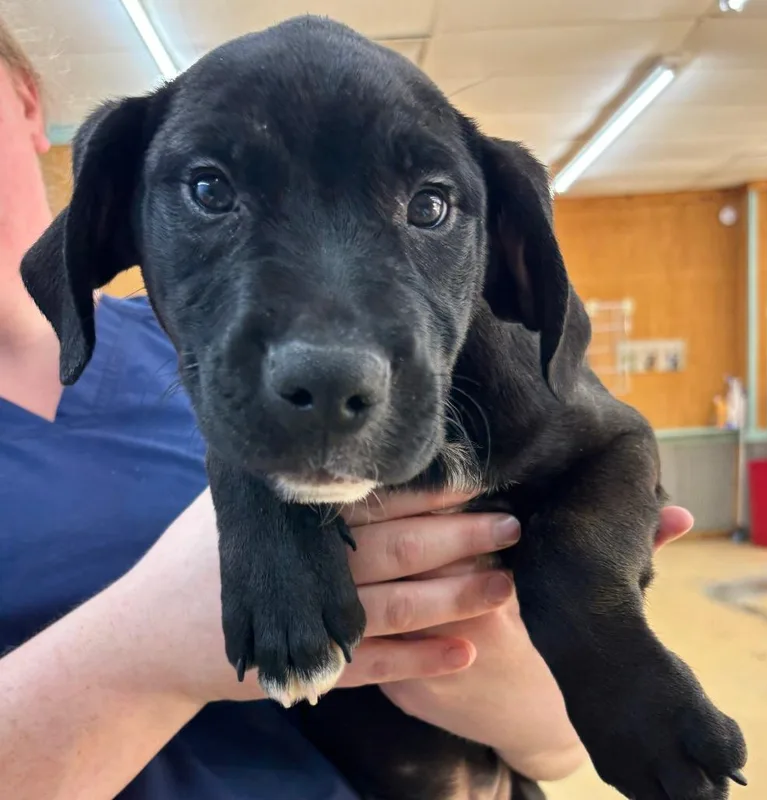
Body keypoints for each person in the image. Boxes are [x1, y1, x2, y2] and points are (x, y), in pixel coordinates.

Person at [0, 17, 694, 800]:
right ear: (114, 209)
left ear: (27, 101)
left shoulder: (489, 373)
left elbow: (554, 746)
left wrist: (563, 634)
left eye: (429, 205)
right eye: (211, 189)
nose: (326, 351)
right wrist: (139, 651)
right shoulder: (185, 345)